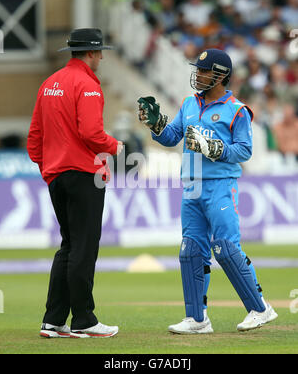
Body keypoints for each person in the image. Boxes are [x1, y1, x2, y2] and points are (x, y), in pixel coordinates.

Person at [137, 48, 278, 333]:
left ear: (220, 76)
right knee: (190, 251)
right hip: (191, 186)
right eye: (198, 70)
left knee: (225, 248)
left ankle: (260, 308)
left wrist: (215, 149)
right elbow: (172, 137)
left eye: (204, 71)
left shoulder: (237, 110)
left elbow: (244, 151)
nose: (198, 75)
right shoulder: (189, 103)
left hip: (220, 186)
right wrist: (156, 124)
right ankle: (197, 319)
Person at [27, 28, 123, 339]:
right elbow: (91, 134)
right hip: (84, 176)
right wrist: (117, 147)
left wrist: (49, 171)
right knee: (83, 247)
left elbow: (34, 141)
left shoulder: (49, 84)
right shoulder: (88, 85)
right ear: (92, 53)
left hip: (57, 177)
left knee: (68, 246)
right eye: (100, 53)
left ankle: (54, 320)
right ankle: (84, 319)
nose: (102, 57)